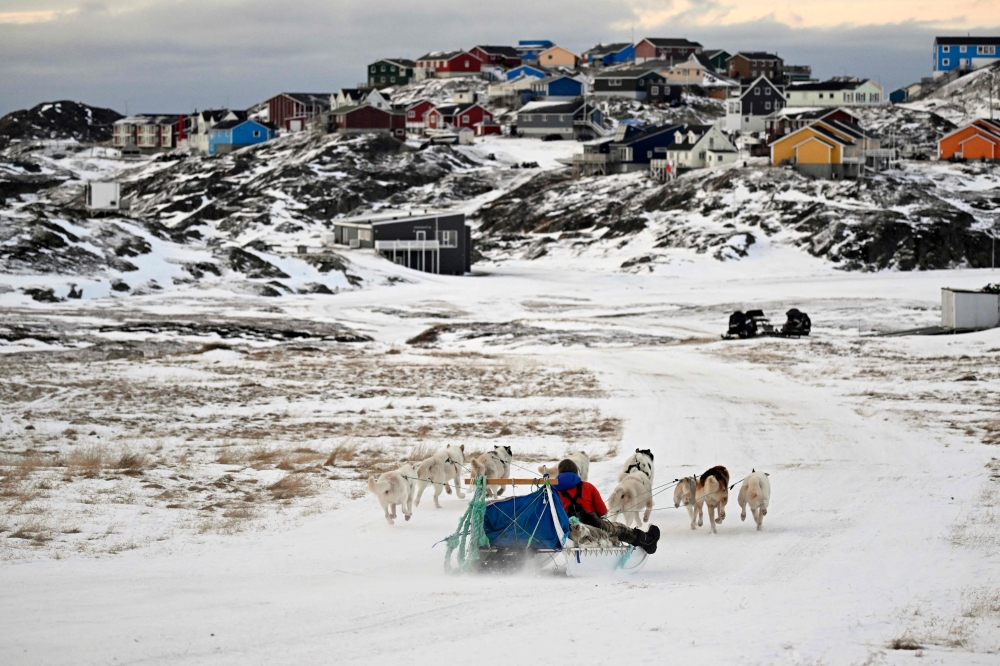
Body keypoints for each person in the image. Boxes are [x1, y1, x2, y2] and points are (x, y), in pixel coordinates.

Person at [549, 459, 660, 554]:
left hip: (565, 530)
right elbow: (602, 512)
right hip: (593, 527)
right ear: (576, 472)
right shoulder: (588, 487)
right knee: (620, 529)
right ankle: (648, 541)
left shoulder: (553, 491)